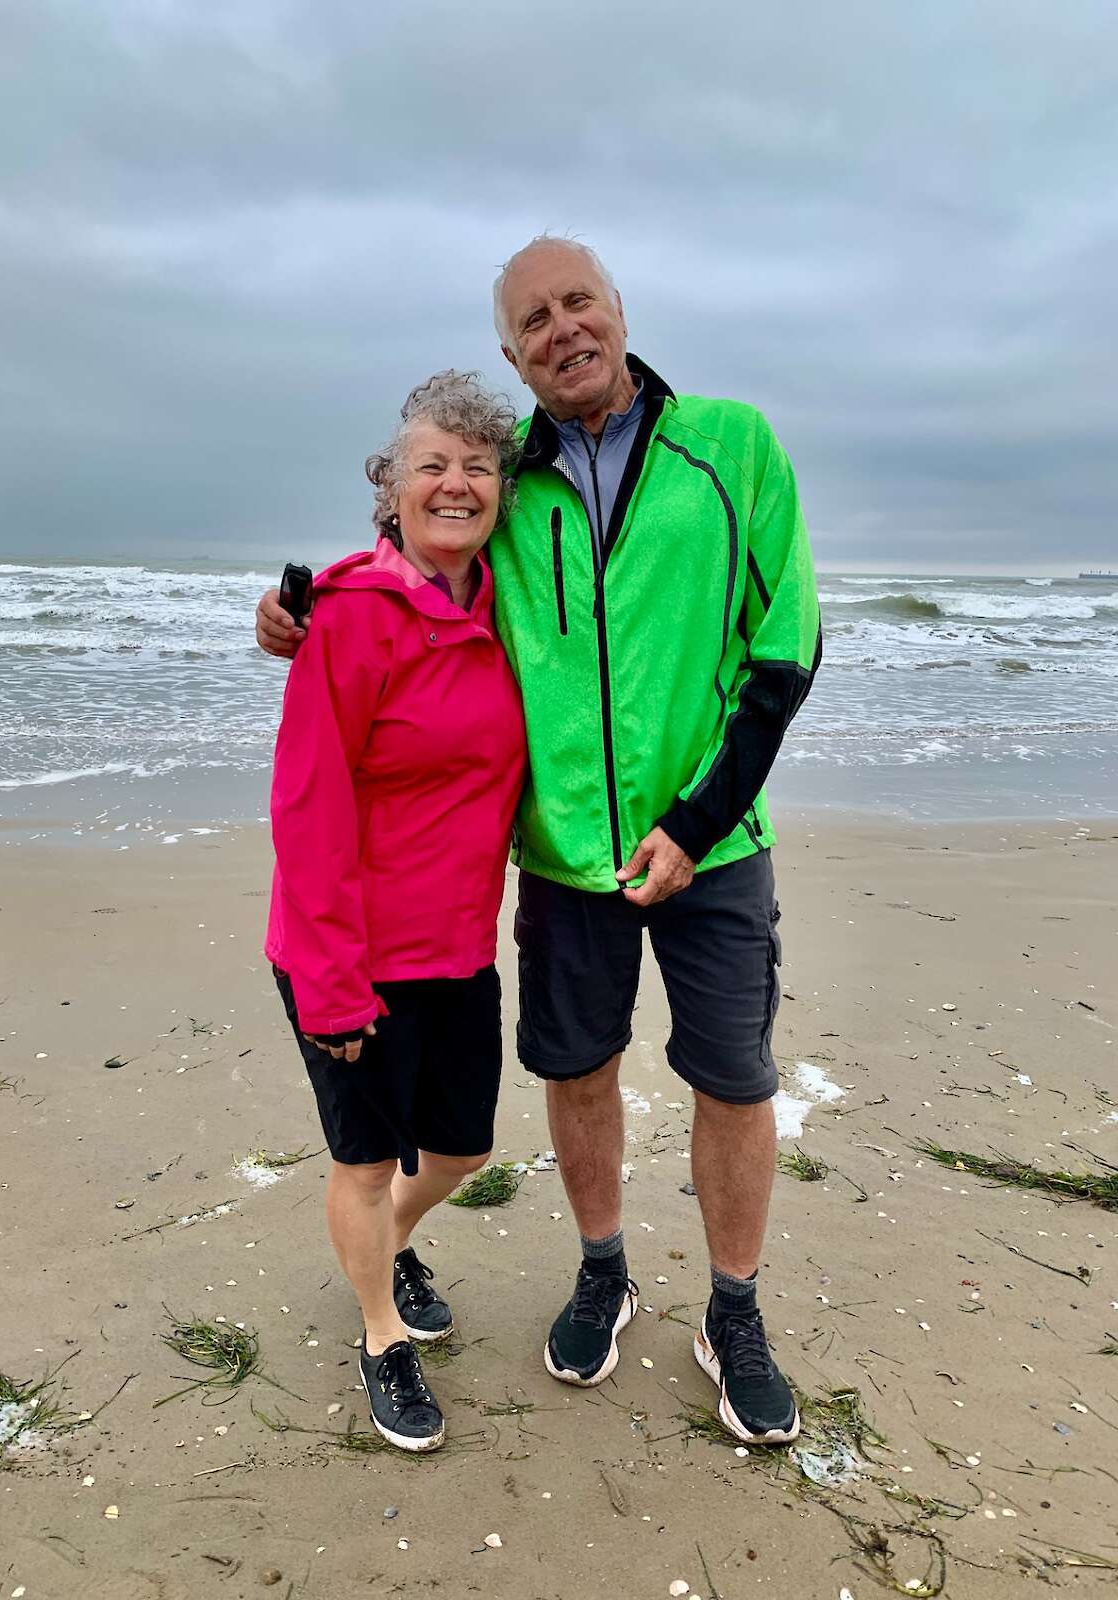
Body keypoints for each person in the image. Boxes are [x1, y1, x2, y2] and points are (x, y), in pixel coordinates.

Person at [257, 238, 821, 1446]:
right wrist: (302, 611)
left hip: (713, 847)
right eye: (534, 320)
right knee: (576, 1069)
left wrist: (696, 821)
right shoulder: (518, 479)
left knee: (734, 1078)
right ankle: (603, 1268)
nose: (563, 328)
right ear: (515, 353)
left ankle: (735, 1309)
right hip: (565, 862)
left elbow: (786, 652)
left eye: (580, 303)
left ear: (618, 310)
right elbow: (414, 566)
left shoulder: (732, 445)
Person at [266, 371, 526, 1452]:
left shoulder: (515, 609)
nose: (456, 483)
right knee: (366, 1162)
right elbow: (309, 807)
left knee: (462, 1149)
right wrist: (331, 981)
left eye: (477, 466)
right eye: (432, 465)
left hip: (459, 943)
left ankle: (395, 1242)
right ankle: (381, 1335)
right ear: (392, 493)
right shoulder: (355, 619)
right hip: (351, 952)